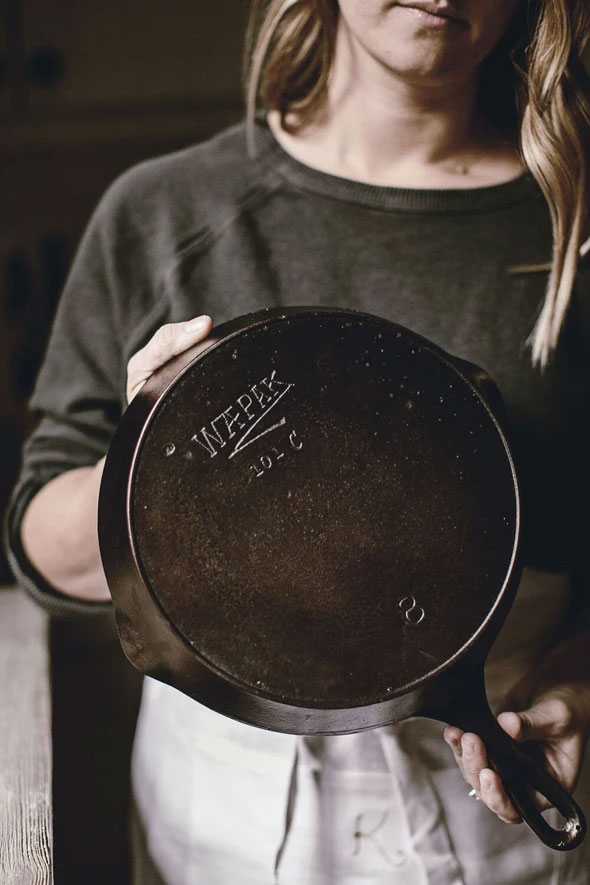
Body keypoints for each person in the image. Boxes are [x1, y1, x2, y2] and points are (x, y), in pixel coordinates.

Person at [6, 0, 590, 881]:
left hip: (498, 804)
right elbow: (40, 553)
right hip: (224, 820)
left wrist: (580, 682)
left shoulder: (571, 220)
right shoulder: (166, 210)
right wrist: (155, 468)